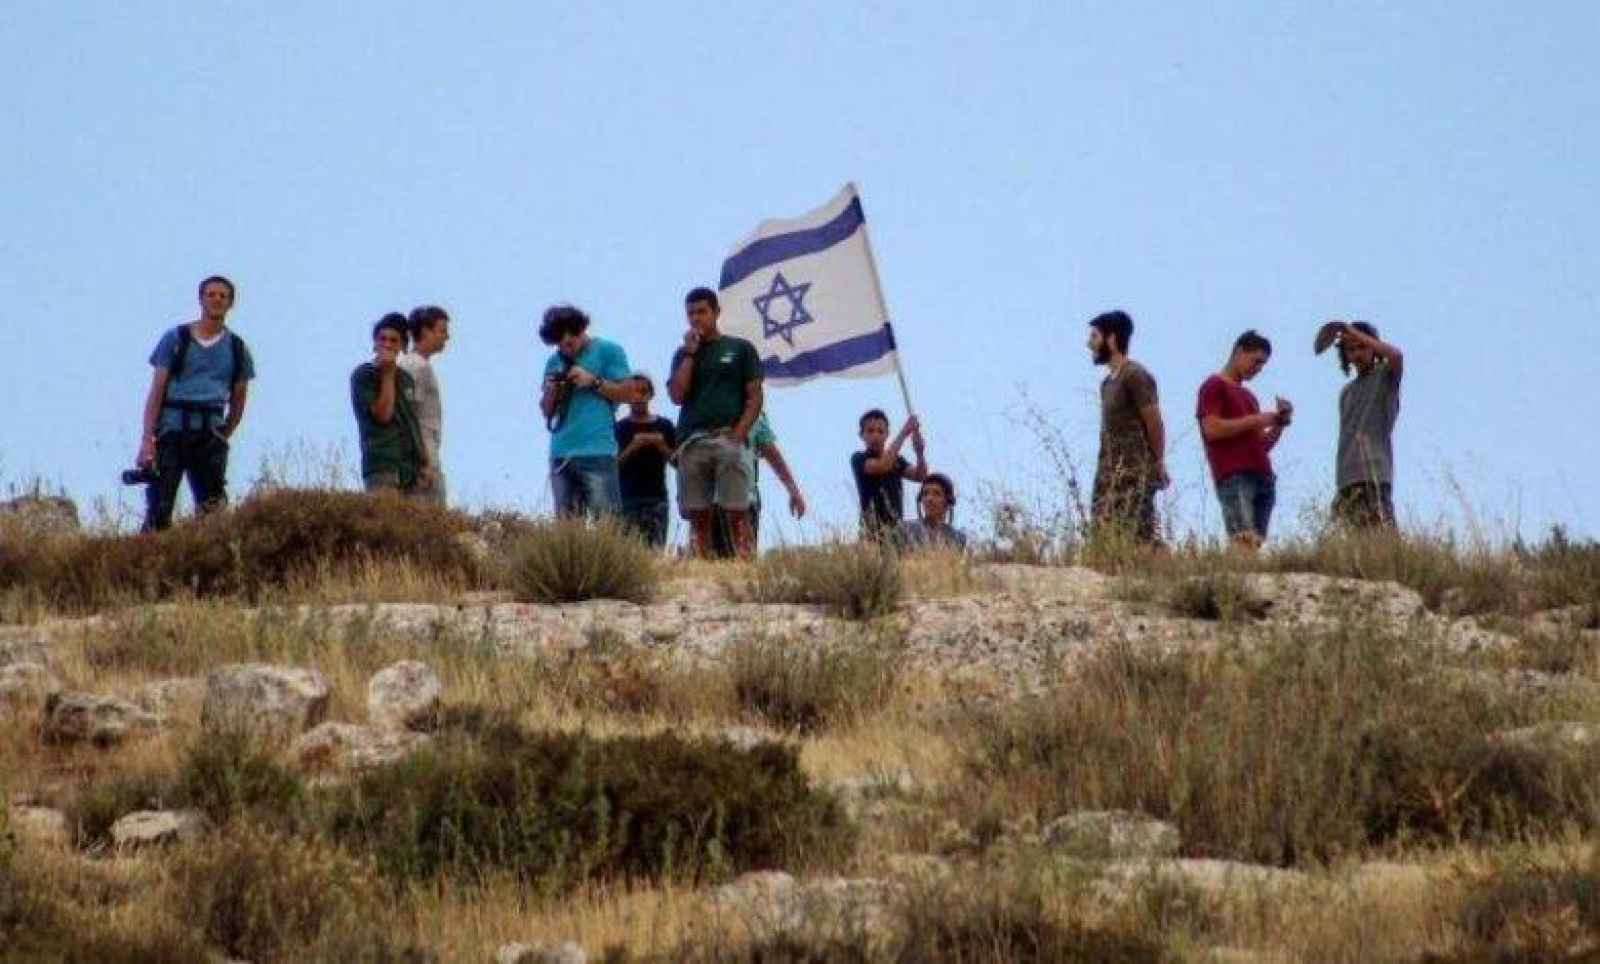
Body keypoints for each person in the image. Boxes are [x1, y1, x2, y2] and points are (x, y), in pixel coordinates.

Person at [136, 275, 256, 531]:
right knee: (159, 507)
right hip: (172, 430)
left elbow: (239, 399)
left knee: (212, 511)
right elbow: (157, 390)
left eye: (223, 296)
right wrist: (147, 439)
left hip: (210, 433)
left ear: (231, 303)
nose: (217, 300)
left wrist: (224, 434)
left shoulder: (237, 349)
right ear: (201, 299)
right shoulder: (176, 339)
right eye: (211, 294)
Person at [667, 287, 763, 558]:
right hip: (692, 440)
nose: (696, 318)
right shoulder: (683, 354)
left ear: (716, 312)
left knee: (737, 509)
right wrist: (690, 354)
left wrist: (739, 434)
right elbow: (677, 395)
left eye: (702, 311)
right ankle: (702, 561)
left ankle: (745, 560)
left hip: (727, 437)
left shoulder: (740, 349)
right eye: (690, 313)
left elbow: (754, 396)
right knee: (697, 513)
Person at [1197, 330, 1293, 547]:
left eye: (1262, 365)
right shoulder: (1214, 385)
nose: (1258, 369)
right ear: (1239, 351)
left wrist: (1279, 423)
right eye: (1256, 361)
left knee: (1254, 544)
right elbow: (1212, 429)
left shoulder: (1249, 396)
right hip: (1235, 475)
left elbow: (1260, 445)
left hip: (1263, 476)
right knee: (1243, 542)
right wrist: (1258, 420)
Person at [539, 304, 635, 519]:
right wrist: (553, 391)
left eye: (572, 334)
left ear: (582, 328)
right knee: (567, 526)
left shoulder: (609, 351)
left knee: (607, 522)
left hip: (597, 451)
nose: (567, 341)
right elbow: (546, 411)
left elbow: (629, 393)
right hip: (561, 453)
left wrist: (594, 382)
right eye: (559, 338)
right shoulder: (554, 362)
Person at [1086, 310, 1168, 545]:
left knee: (1139, 539)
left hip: (1133, 475)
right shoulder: (1106, 384)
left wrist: (1156, 463)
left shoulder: (1135, 375)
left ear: (1111, 339)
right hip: (1107, 478)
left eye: (1094, 336)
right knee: (1103, 540)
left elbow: (1154, 422)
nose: (1089, 344)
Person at [1330, 321, 1404, 528]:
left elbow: (1396, 356)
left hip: (1374, 471)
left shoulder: (1384, 376)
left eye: (1362, 347)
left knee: (1383, 534)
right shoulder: (1347, 392)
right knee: (1354, 540)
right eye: (1351, 349)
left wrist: (1352, 332)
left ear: (1373, 347)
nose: (1357, 354)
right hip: (1346, 475)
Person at [710, 410, 807, 557]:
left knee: (717, 561)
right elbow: (771, 452)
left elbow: (770, 451)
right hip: (730, 500)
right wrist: (793, 491)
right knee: (737, 560)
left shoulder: (753, 413)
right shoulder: (752, 412)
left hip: (728, 500)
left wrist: (793, 491)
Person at [351, 313, 427, 494]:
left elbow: (411, 421)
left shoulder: (406, 379)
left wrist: (424, 462)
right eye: (382, 339)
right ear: (375, 343)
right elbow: (383, 415)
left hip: (410, 469)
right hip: (382, 464)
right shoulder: (365, 375)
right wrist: (387, 374)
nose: (387, 344)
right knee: (386, 510)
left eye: (393, 341)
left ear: (402, 346)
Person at [397, 305, 451, 504]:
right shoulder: (416, 366)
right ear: (426, 332)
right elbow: (409, 413)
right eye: (442, 331)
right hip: (422, 448)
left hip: (424, 447)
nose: (446, 337)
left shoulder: (416, 364)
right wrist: (422, 461)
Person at [615, 372, 676, 546]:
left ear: (651, 395)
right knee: (627, 551)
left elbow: (678, 462)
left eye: (643, 392)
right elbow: (611, 466)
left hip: (656, 498)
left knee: (656, 550)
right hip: (627, 499)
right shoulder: (619, 428)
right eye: (633, 392)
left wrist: (661, 446)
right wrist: (633, 447)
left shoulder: (664, 426)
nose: (638, 397)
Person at [851, 409, 929, 538]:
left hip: (896, 531)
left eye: (880, 431)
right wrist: (904, 432)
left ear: (887, 434)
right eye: (870, 431)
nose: (875, 436)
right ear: (861, 435)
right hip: (871, 532)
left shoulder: (897, 460)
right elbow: (882, 466)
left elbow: (921, 476)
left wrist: (919, 452)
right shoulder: (859, 458)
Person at [894, 473, 968, 552]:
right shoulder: (905, 529)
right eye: (925, 494)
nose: (929, 499)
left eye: (937, 494)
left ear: (948, 501)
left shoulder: (958, 538)